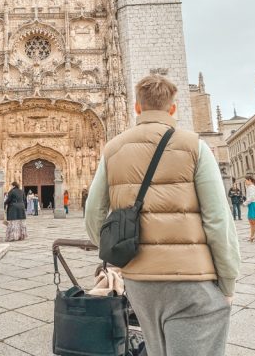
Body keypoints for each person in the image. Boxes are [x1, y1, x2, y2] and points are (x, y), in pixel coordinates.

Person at [85, 75, 240, 356]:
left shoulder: (113, 149)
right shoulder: (194, 145)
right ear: (172, 108)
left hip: (140, 282)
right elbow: (218, 219)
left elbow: (93, 214)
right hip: (192, 280)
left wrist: (121, 256)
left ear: (136, 108)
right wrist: (228, 282)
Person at [244, 176, 255, 242]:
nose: (245, 182)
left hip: (253, 204)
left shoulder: (251, 187)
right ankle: (252, 236)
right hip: (252, 205)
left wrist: (245, 203)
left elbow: (251, 197)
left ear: (249, 180)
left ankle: (252, 236)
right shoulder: (250, 187)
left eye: (245, 180)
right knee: (251, 222)